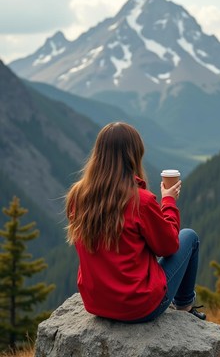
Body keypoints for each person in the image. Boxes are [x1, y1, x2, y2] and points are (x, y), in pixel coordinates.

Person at [66, 122, 205, 322]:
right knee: (189, 237)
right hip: (140, 307)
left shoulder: (78, 195)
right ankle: (184, 307)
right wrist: (168, 200)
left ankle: (182, 306)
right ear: (134, 155)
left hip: (96, 304)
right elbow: (168, 246)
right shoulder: (141, 200)